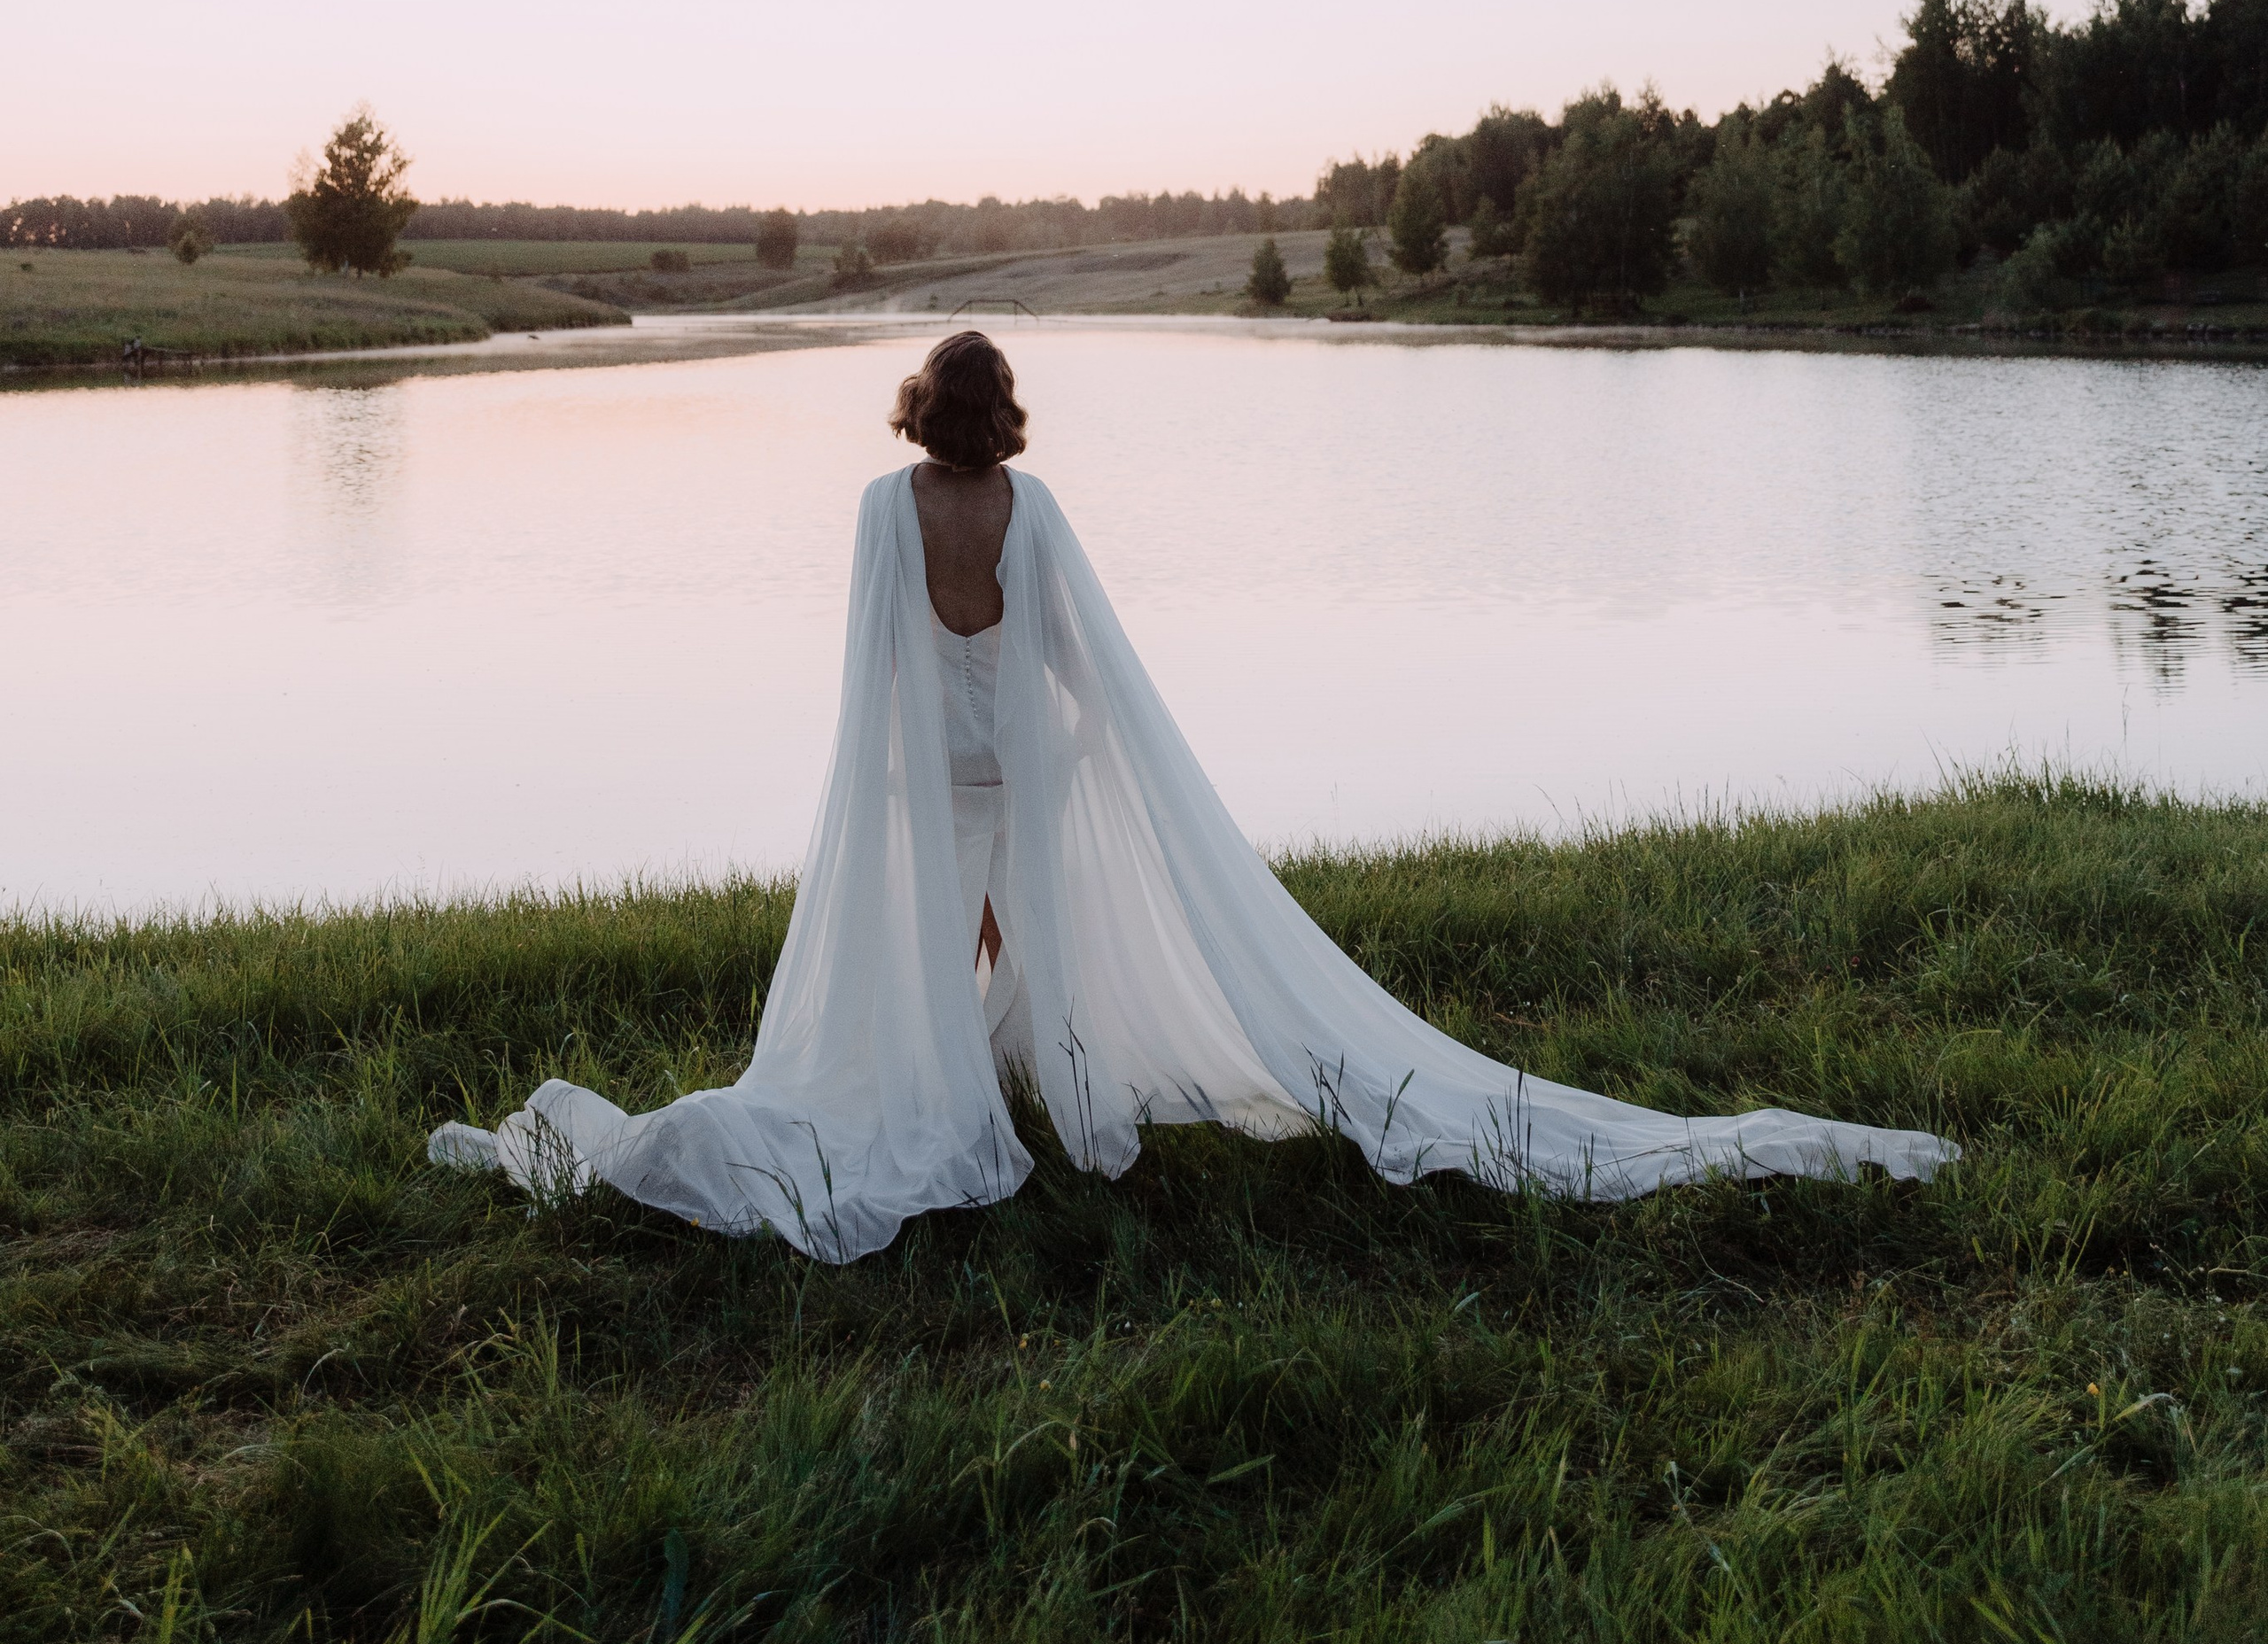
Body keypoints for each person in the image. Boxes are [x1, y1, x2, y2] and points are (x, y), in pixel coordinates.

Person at [431, 330, 1954, 1260]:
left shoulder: (880, 513)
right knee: (1006, 955)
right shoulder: (1030, 511)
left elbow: (868, 677)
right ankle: (1027, 1098)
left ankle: (964, 1099)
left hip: (931, 786)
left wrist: (900, 790)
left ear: (917, 415)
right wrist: (1078, 761)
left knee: (946, 966)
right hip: (1016, 783)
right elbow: (1092, 682)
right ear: (1004, 417)